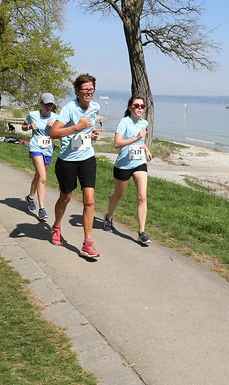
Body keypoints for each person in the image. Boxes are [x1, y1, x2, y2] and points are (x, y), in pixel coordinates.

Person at [48, 74, 101, 259]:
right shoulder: (69, 109)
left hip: (87, 158)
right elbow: (54, 133)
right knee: (66, 197)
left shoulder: (95, 107)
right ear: (77, 91)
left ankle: (87, 243)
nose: (89, 93)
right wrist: (76, 128)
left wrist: (92, 134)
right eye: (85, 90)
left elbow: (89, 129)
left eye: (91, 89)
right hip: (68, 160)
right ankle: (56, 226)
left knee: (89, 200)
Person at [103, 95, 153, 246]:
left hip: (139, 163)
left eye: (142, 106)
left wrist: (146, 148)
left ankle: (141, 232)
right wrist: (136, 137)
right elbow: (117, 144)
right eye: (136, 105)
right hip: (123, 165)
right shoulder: (124, 122)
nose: (139, 108)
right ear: (130, 107)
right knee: (119, 194)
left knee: (142, 197)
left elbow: (140, 141)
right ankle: (109, 217)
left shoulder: (144, 122)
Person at [22, 92, 58, 221]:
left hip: (48, 150)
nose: (48, 107)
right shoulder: (32, 115)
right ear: (41, 104)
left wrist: (53, 127)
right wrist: (30, 126)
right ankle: (42, 208)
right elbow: (23, 127)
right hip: (35, 148)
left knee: (38, 176)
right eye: (46, 104)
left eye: (51, 105)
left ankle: (30, 198)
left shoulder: (55, 117)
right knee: (43, 178)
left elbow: (59, 133)